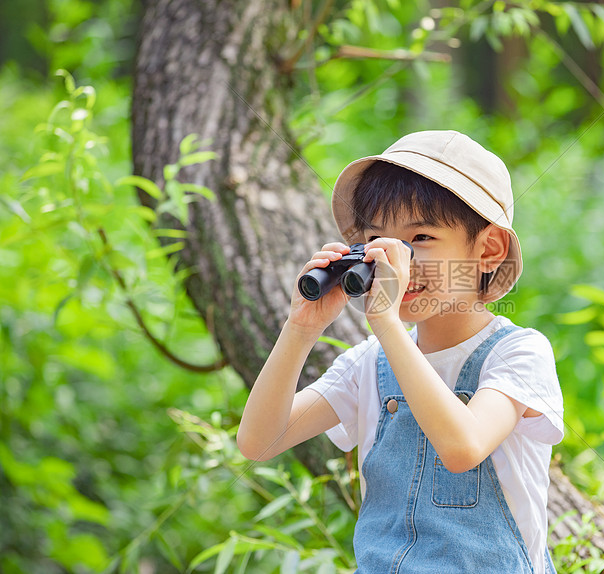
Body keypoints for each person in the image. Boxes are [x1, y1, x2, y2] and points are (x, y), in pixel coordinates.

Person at [237, 130, 564, 573]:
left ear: (488, 249)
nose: (396, 263)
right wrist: (301, 327)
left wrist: (387, 323)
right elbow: (259, 441)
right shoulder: (368, 363)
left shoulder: (518, 353)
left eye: (421, 239)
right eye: (377, 243)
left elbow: (463, 446)